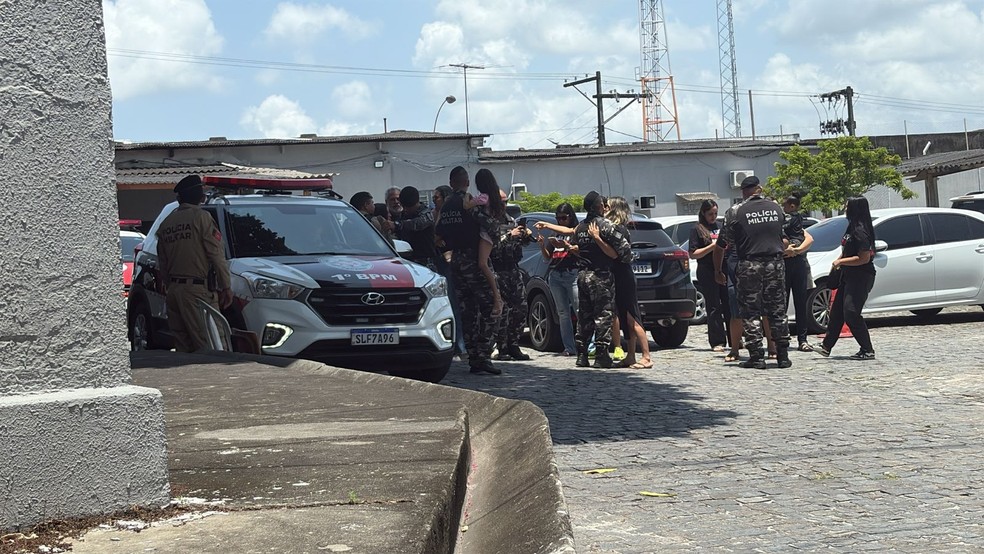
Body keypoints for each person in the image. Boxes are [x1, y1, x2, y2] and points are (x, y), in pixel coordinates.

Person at [716, 175, 790, 369]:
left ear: (743, 191)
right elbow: (785, 238)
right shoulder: (776, 208)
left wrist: (718, 269)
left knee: (750, 312)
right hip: (775, 263)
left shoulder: (736, 211)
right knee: (777, 310)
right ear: (759, 188)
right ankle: (782, 355)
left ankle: (757, 357)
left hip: (750, 264)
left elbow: (724, 242)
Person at [434, 166, 501, 375]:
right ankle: (483, 355)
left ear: (451, 182)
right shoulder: (471, 202)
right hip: (474, 258)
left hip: (456, 260)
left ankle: (473, 356)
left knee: (467, 312)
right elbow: (490, 226)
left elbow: (438, 234)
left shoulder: (446, 205)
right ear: (467, 182)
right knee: (493, 307)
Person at [155, 174, 233, 352]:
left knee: (183, 348)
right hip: (197, 292)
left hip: (174, 291)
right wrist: (226, 287)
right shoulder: (201, 218)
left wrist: (170, 287)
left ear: (180, 198)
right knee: (212, 344)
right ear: (200, 196)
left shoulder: (166, 223)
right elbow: (216, 254)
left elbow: (163, 263)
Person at [571, 191, 632, 368]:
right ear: (598, 206)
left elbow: (576, 246)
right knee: (603, 315)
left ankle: (582, 355)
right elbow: (624, 250)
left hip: (583, 275)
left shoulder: (580, 227)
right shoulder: (604, 225)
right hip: (601, 275)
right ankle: (601, 355)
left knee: (584, 316)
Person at [817, 196, 877, 360]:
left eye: (847, 206)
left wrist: (841, 262)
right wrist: (839, 262)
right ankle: (826, 346)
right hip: (848, 275)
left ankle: (867, 350)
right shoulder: (852, 227)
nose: (845, 209)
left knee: (851, 313)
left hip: (861, 277)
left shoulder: (860, 231)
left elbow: (864, 258)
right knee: (837, 313)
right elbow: (847, 250)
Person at [486, 178, 534, 361]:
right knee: (502, 311)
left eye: (506, 202)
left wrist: (525, 235)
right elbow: (491, 247)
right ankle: (501, 347)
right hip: (496, 271)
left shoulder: (510, 220)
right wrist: (509, 236)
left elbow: (520, 243)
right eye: (501, 202)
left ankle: (514, 345)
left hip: (513, 270)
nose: (504, 205)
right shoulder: (489, 222)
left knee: (520, 308)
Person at [605, 196, 652, 369]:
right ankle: (631, 355)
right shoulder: (614, 228)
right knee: (625, 319)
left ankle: (646, 356)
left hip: (624, 275)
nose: (604, 208)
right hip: (617, 275)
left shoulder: (619, 230)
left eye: (607, 206)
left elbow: (617, 254)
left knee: (633, 317)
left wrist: (597, 238)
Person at [535, 203, 579, 356]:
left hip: (571, 273)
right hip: (556, 274)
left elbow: (580, 252)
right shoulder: (555, 233)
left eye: (564, 218)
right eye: (558, 218)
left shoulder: (575, 231)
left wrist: (567, 246)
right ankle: (569, 347)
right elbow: (548, 257)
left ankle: (587, 345)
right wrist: (542, 245)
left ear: (570, 217)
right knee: (562, 313)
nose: (561, 221)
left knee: (580, 310)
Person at [689, 200, 729, 352]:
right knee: (713, 306)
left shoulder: (720, 227)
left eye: (715, 213)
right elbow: (693, 254)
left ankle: (735, 338)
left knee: (729, 303)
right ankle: (717, 341)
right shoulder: (697, 229)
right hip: (707, 269)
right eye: (710, 214)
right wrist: (712, 246)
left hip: (724, 267)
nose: (713, 217)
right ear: (703, 213)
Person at [432, 185, 466, 355]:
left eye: (436, 198)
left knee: (455, 304)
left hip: (453, 262)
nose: (434, 201)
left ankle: (460, 344)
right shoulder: (434, 214)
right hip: (438, 262)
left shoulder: (450, 215)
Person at [781, 192, 816, 352]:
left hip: (798, 262)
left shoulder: (793, 219)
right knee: (782, 303)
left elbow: (809, 239)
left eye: (784, 205)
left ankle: (803, 339)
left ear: (792, 206)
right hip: (784, 263)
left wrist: (796, 250)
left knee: (801, 302)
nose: (783, 208)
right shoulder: (789, 221)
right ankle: (782, 338)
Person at [386, 186, 437, 269]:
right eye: (404, 206)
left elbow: (417, 224)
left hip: (426, 262)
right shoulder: (403, 215)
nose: (406, 209)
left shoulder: (426, 214)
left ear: (416, 203)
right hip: (408, 261)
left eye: (409, 207)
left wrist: (397, 225)